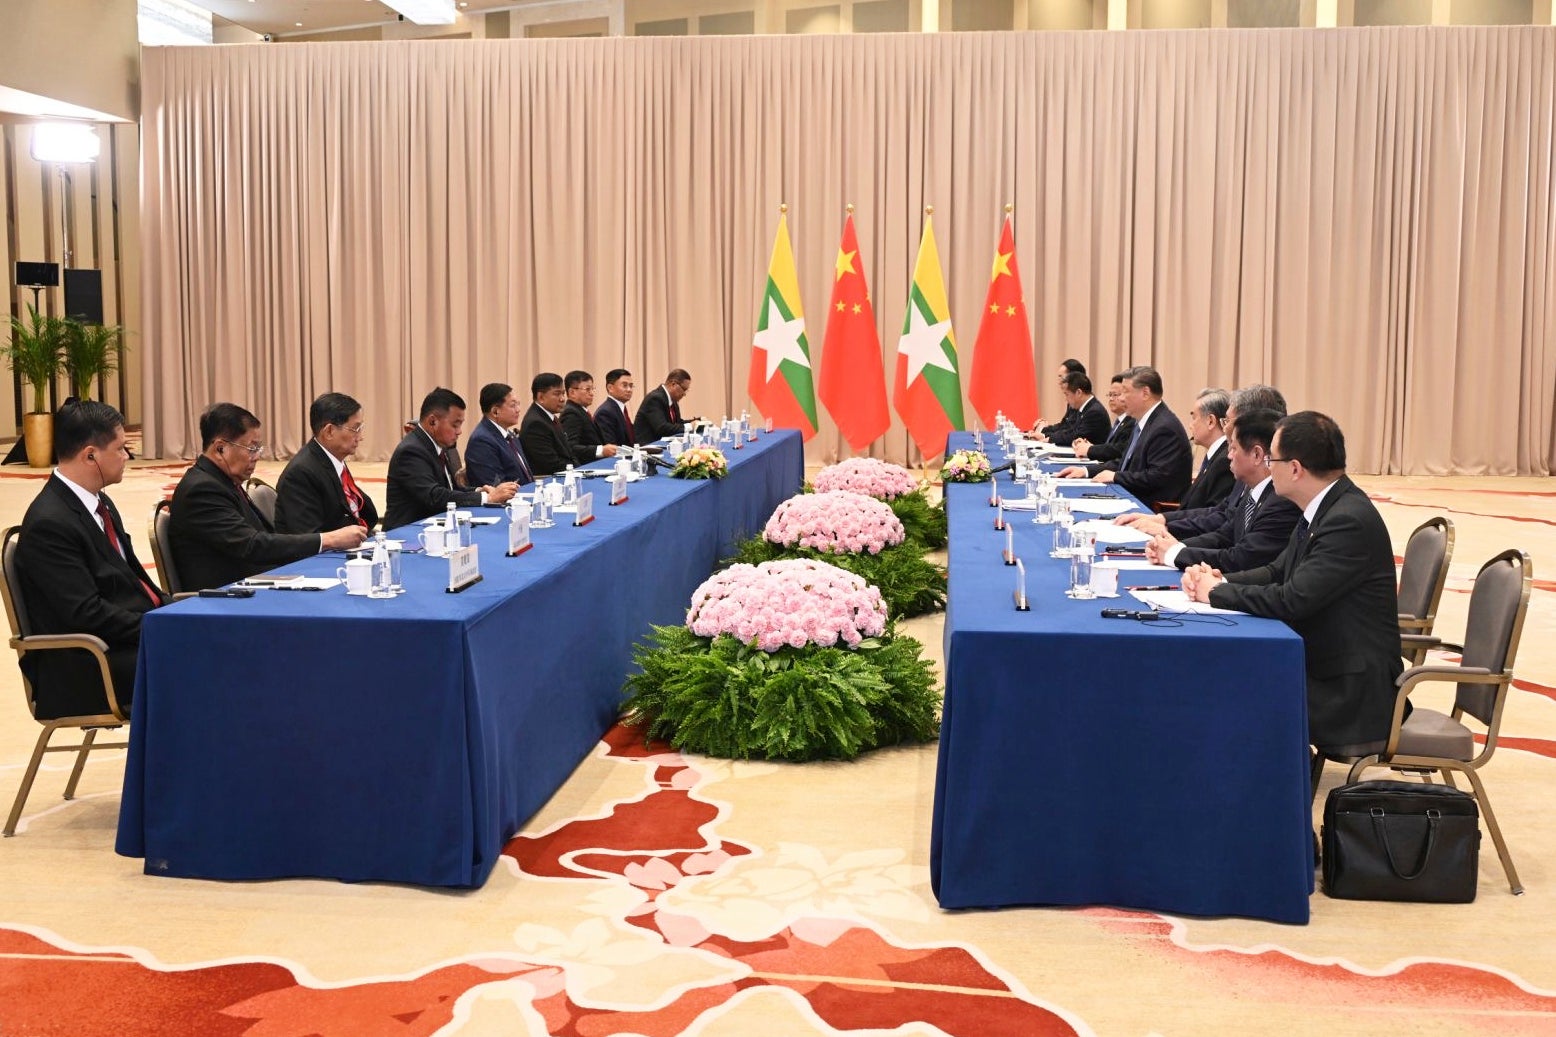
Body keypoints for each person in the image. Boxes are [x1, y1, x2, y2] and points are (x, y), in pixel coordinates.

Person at [1183, 411, 1402, 751]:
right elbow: (1276, 571)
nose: (1268, 467)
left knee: (1227, 683)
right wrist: (1218, 579)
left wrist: (1218, 593)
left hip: (1349, 693)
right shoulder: (1324, 507)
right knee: (1226, 671)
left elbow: (1292, 599)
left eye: (1272, 459)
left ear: (1295, 468)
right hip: (1323, 665)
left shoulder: (1346, 521)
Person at [13, 401, 163, 718]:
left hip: (122, 643)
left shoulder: (100, 503)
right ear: (90, 455)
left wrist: (177, 612)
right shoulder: (49, 524)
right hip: (87, 665)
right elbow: (86, 614)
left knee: (219, 642)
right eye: (120, 449)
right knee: (204, 661)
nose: (127, 457)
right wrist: (160, 627)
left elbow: (134, 583)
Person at [169, 404, 368, 591]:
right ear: (221, 448)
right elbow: (251, 545)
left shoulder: (223, 481)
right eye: (252, 448)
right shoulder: (202, 490)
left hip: (256, 584)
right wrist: (329, 539)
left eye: (259, 449)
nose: (257, 456)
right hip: (227, 596)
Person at [1143, 408, 1301, 573]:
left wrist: (1174, 553)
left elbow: (1242, 558)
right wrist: (1175, 547)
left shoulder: (1281, 501)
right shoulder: (1252, 490)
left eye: (1234, 448)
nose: (1229, 456)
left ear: (1256, 455)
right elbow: (1224, 536)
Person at [384, 388, 517, 530]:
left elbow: (450, 489)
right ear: (433, 421)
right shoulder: (411, 451)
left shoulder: (439, 445)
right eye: (455, 425)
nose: (459, 431)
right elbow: (435, 496)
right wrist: (487, 498)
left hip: (435, 526)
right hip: (407, 532)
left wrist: (479, 491)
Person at [1058, 366, 1191, 507]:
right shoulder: (1143, 422)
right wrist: (1085, 471)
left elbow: (1156, 477)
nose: (1121, 399)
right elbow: (1123, 463)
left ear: (1145, 393)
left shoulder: (1164, 427)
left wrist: (1115, 476)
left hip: (1148, 507)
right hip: (1131, 496)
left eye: (1125, 392)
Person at [275, 392, 379, 534]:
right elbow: (309, 537)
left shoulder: (333, 459)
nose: (360, 437)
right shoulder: (300, 474)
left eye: (361, 428)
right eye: (355, 429)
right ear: (329, 431)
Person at [520, 372, 593, 477]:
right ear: (541, 397)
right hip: (550, 480)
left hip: (567, 473)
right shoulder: (535, 423)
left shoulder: (550, 417)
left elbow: (569, 452)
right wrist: (578, 471)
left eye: (563, 393)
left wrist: (579, 469)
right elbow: (551, 464)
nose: (562, 399)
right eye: (557, 394)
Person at [464, 382, 535, 488]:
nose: (518, 409)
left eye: (518, 404)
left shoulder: (509, 435)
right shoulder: (482, 441)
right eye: (513, 405)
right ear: (495, 411)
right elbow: (495, 486)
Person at [1175, 388, 1234, 511]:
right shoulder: (1215, 456)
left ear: (1210, 421)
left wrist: (1164, 519)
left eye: (1194, 418)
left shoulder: (1225, 461)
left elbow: (1212, 513)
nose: (1190, 425)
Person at [1069, 372, 1135, 463]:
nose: (1111, 399)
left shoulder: (1131, 422)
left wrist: (1090, 449)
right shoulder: (1120, 421)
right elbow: (1110, 447)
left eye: (1115, 395)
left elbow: (1117, 451)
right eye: (1110, 395)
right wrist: (1090, 446)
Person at [559, 370, 620, 461]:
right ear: (572, 392)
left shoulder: (581, 410)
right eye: (587, 389)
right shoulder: (571, 413)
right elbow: (570, 447)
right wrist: (601, 450)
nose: (591, 393)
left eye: (592, 389)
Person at [1040, 371, 1110, 447]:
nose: (1066, 399)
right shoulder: (1085, 408)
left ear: (1078, 393)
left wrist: (1049, 438)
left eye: (1067, 394)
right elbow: (1069, 430)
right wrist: (1045, 435)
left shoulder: (1094, 412)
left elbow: (1075, 436)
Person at [633, 368, 694, 442]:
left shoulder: (673, 400)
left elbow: (677, 423)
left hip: (663, 443)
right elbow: (662, 428)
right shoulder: (655, 398)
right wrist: (690, 426)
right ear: (673, 384)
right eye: (684, 389)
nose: (684, 394)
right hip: (649, 445)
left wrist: (695, 422)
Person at [1033, 360, 1088, 440]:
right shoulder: (1073, 401)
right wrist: (1041, 429)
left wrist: (1045, 435)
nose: (1059, 382)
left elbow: (1071, 432)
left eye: (1061, 377)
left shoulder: (1084, 405)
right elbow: (1064, 426)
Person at [594, 368, 636, 446]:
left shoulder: (620, 408)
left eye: (631, 386)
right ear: (610, 388)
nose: (629, 390)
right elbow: (610, 445)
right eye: (624, 385)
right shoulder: (605, 412)